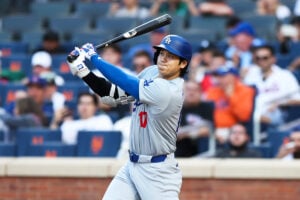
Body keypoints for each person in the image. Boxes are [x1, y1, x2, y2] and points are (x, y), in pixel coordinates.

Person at [67, 34, 192, 199]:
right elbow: (112, 96)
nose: (163, 59)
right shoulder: (152, 72)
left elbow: (124, 80)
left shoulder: (169, 90)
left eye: (171, 56)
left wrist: (94, 58)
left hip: (158, 172)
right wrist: (83, 71)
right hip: (132, 165)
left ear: (183, 63)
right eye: (162, 53)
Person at [243, 44, 300, 128]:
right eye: (258, 58)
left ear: (273, 59)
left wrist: (281, 103)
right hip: (254, 112)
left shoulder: (285, 75)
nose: (261, 61)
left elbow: (298, 99)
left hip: (276, 112)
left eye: (265, 58)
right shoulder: (251, 75)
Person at [204, 64, 256, 144]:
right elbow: (206, 113)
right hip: (213, 129)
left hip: (234, 130)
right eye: (218, 76)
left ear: (233, 77)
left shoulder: (245, 91)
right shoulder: (213, 91)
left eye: (223, 76)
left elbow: (244, 117)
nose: (219, 79)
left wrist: (231, 97)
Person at [175, 80, 214, 157]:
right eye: (188, 89)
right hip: (181, 145)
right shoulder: (176, 108)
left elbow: (207, 130)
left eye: (195, 90)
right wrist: (195, 130)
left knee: (204, 138)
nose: (191, 93)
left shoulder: (207, 107)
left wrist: (187, 133)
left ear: (200, 93)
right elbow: (174, 133)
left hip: (200, 144)